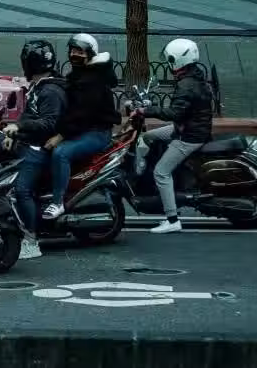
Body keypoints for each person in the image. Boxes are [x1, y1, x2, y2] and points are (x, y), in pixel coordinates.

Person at [133, 38, 213, 234]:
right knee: (149, 136)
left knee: (161, 172)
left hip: (189, 136)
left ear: (178, 60)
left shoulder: (186, 84)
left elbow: (175, 113)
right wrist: (150, 107)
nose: (169, 63)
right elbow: (181, 110)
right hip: (187, 127)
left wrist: (147, 111)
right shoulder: (194, 77)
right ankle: (167, 175)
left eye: (170, 59)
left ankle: (172, 219)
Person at [0, 40, 67, 260]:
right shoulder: (40, 86)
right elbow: (29, 115)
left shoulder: (51, 91)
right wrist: (14, 133)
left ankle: (31, 239)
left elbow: (48, 123)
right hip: (30, 142)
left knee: (21, 191)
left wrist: (19, 127)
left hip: (39, 148)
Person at [43, 34, 121, 220]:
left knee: (61, 153)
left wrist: (60, 136)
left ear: (90, 54)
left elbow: (82, 114)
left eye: (79, 52)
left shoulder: (94, 80)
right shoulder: (81, 73)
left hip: (96, 133)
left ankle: (57, 202)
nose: (73, 55)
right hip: (82, 129)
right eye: (72, 51)